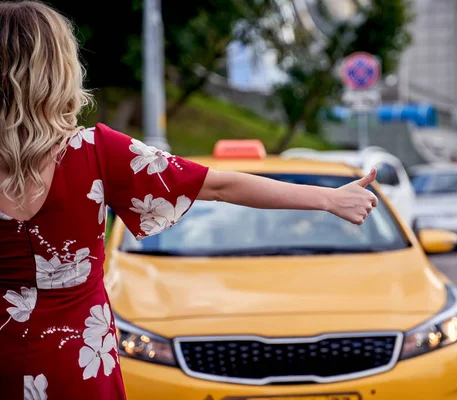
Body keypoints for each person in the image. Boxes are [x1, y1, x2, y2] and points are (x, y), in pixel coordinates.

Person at [0, 2, 378, 399]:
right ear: (60, 68)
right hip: (78, 359)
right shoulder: (96, 151)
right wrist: (328, 198)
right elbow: (220, 186)